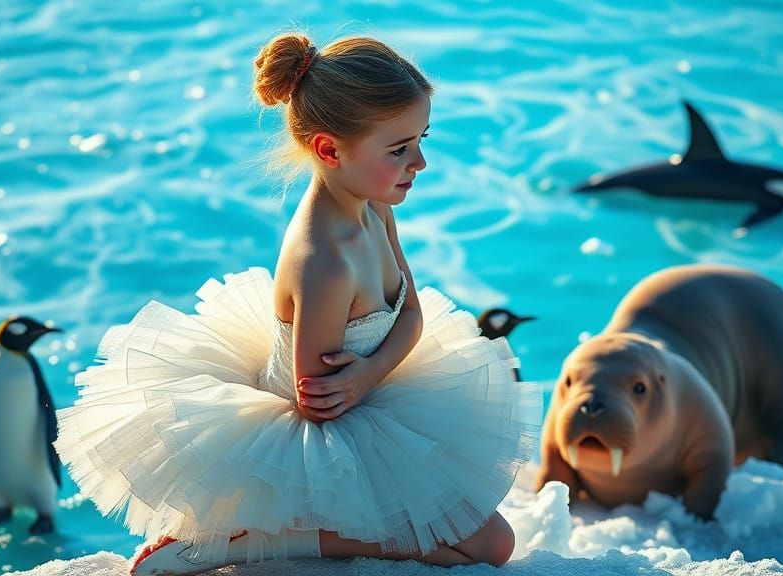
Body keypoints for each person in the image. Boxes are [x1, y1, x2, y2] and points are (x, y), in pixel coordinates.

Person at [54, 32, 542, 576]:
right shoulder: (325, 260)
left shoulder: (373, 205)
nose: (420, 161)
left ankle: (279, 535)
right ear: (330, 150)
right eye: (400, 148)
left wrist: (371, 371)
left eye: (421, 138)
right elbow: (317, 403)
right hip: (318, 442)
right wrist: (365, 379)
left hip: (366, 396)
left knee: (488, 542)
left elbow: (411, 313)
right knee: (489, 546)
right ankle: (248, 540)